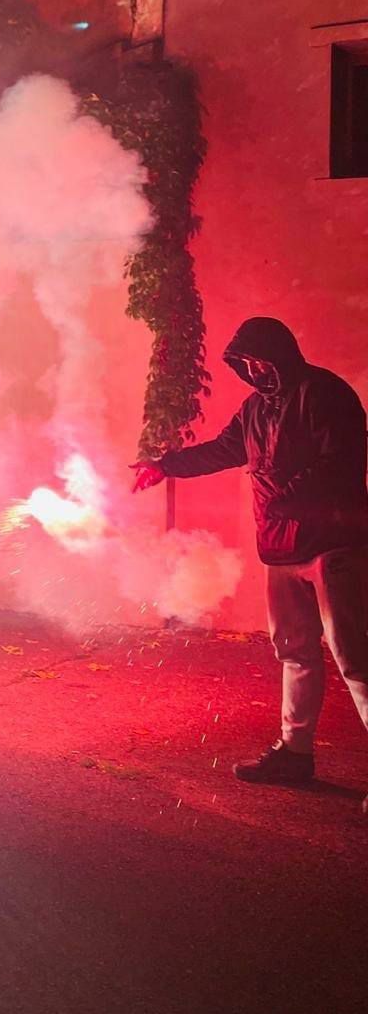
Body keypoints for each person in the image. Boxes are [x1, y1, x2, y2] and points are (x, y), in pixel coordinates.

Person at [131, 317, 368, 802]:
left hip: (334, 543)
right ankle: (295, 753)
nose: (256, 369)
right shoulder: (255, 410)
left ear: (282, 354)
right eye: (247, 363)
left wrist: (286, 495)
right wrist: (165, 466)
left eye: (262, 359)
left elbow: (342, 461)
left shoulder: (323, 394)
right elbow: (224, 449)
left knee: (355, 659)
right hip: (281, 546)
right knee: (295, 651)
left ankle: (297, 751)